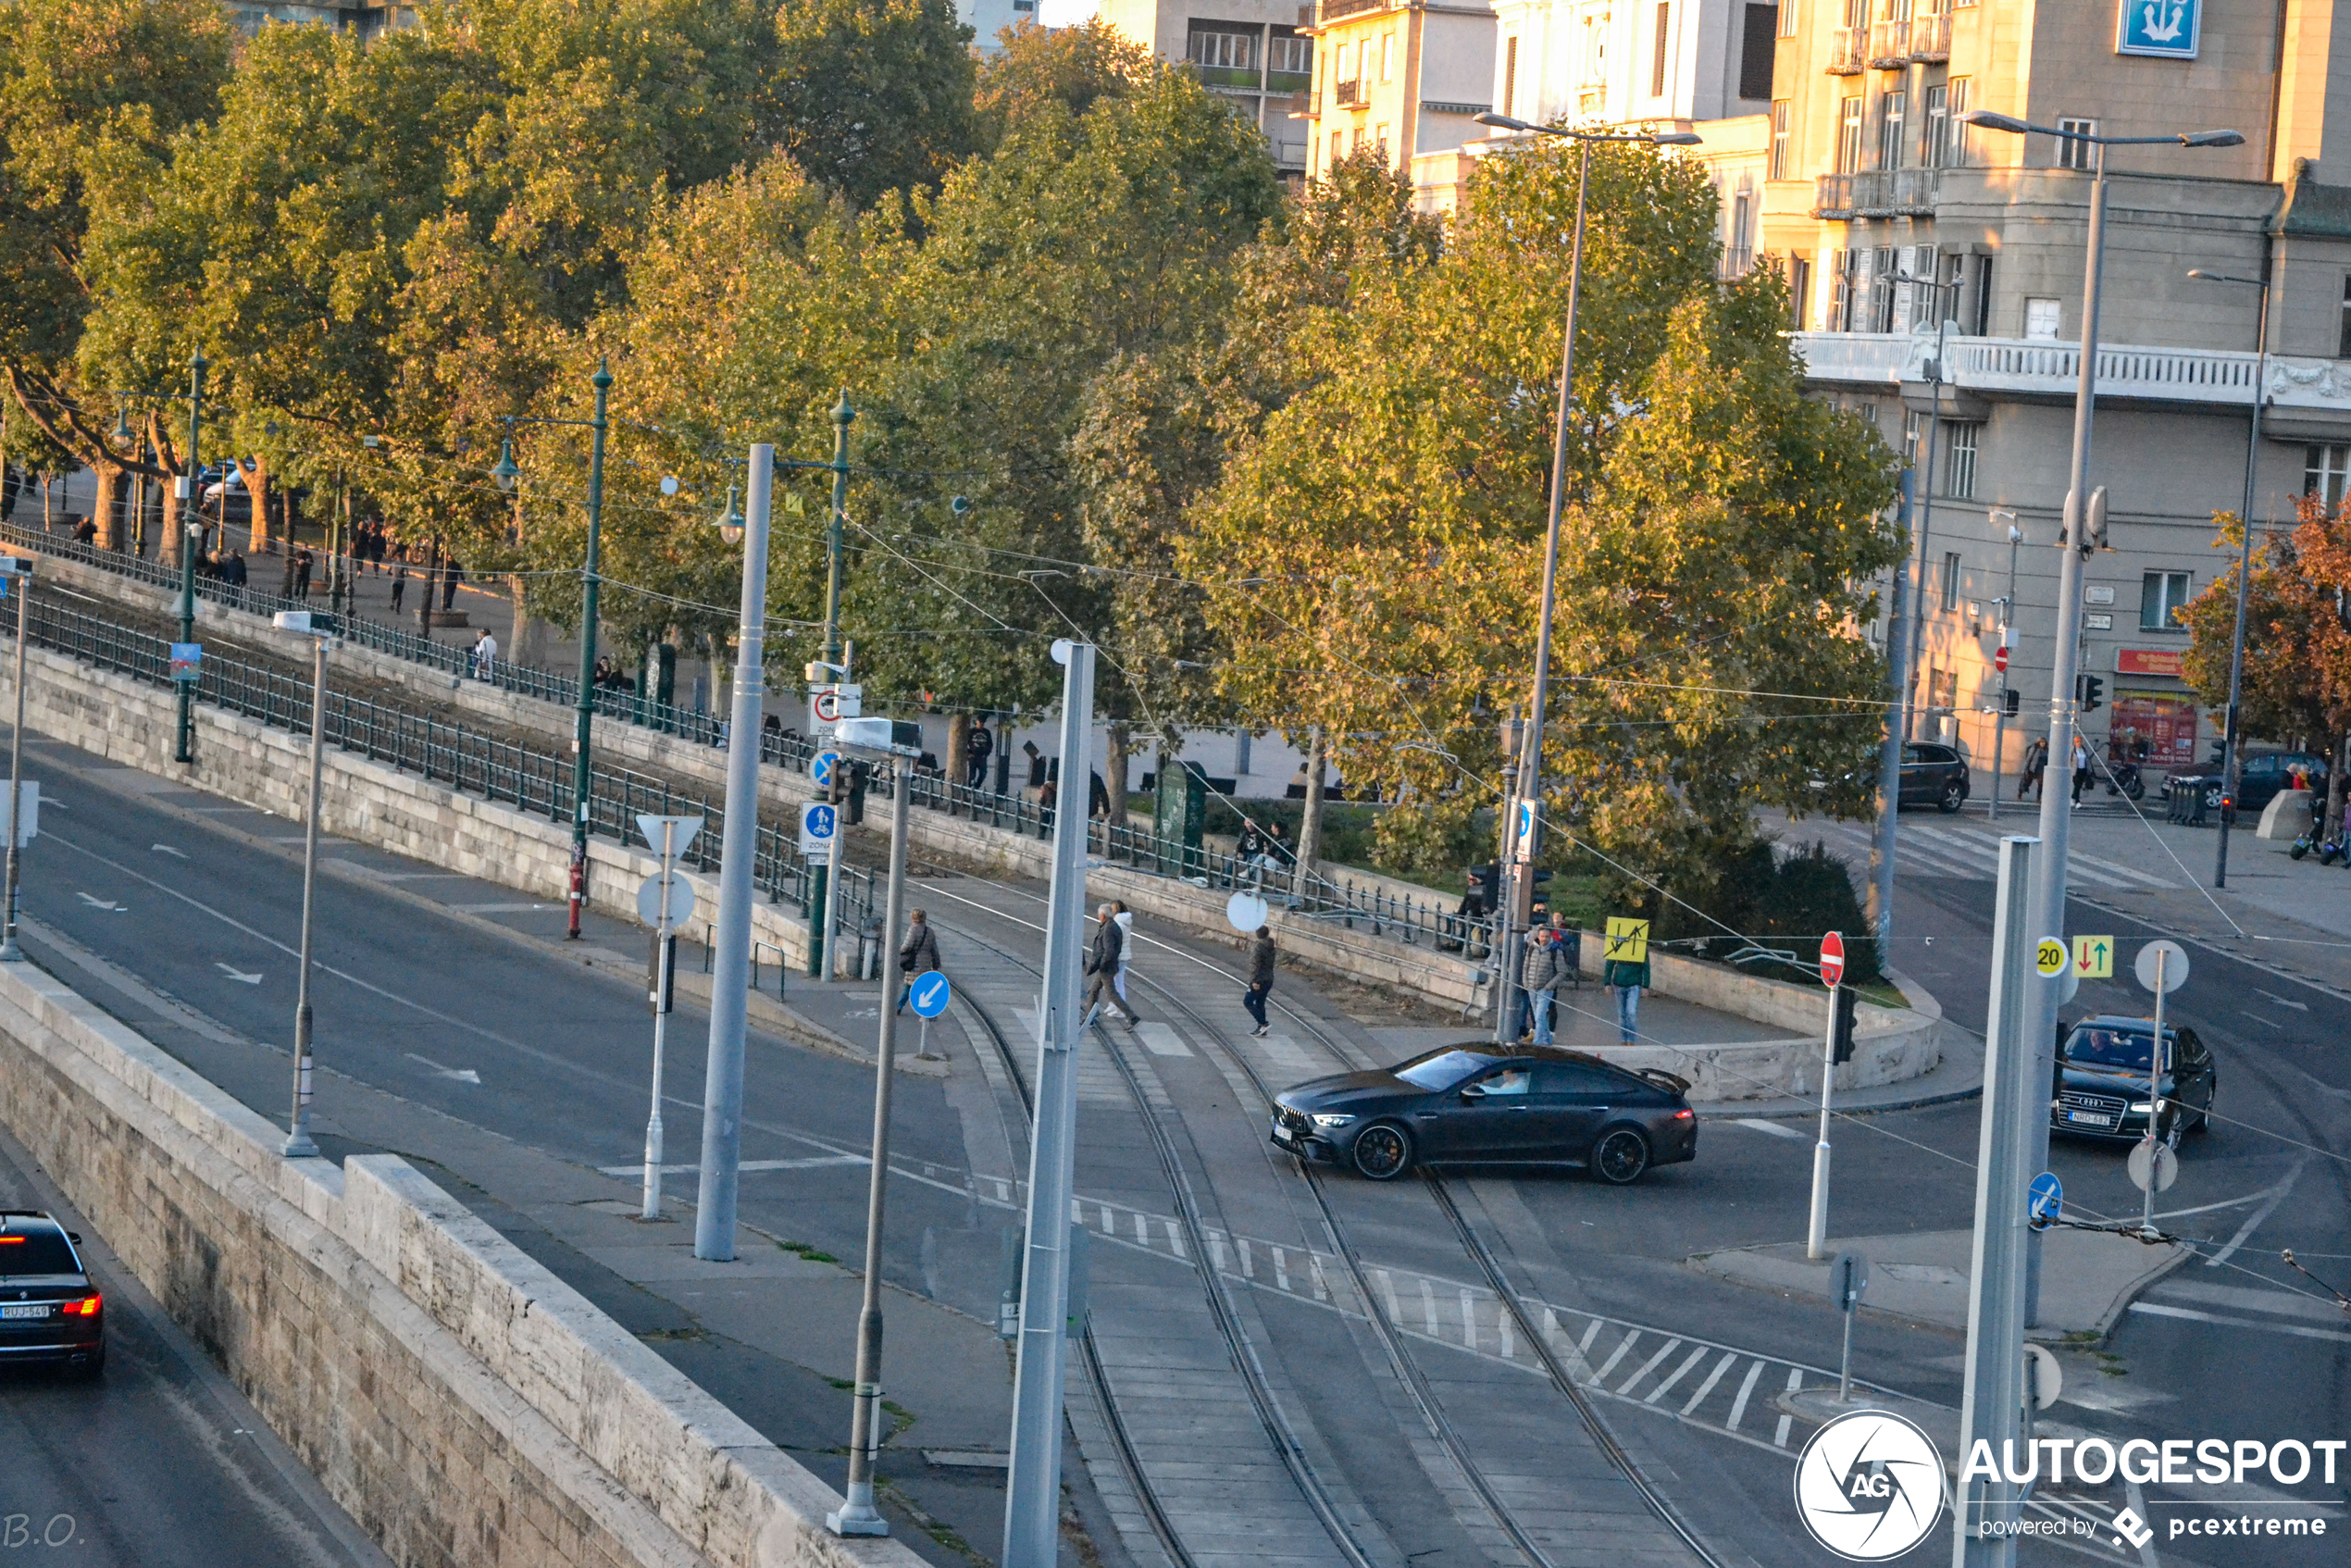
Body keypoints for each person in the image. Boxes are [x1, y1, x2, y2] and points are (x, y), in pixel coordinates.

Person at [1081, 902, 1140, 1027]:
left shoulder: (1108, 928)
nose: (1098, 917)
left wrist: (1101, 963)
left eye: (1099, 915)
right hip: (1108, 965)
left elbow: (1109, 950)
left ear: (1103, 915)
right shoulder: (1111, 925)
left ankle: (1132, 1016)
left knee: (1111, 993)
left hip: (1107, 967)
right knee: (1093, 990)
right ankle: (1090, 1017)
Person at [1521, 922, 1563, 1047]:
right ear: (1538, 936)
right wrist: (1526, 982)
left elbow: (1562, 972)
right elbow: (1526, 967)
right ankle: (1547, 1039)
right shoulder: (1532, 948)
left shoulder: (1555, 951)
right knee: (1539, 1017)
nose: (1544, 939)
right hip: (1531, 987)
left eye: (1546, 936)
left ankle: (1538, 1043)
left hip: (1545, 989)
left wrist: (1549, 986)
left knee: (1539, 1017)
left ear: (1550, 937)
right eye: (1542, 936)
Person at [894, 909, 940, 1014]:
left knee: (908, 986)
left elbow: (907, 946)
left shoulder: (913, 929)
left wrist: (899, 951)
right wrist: (936, 964)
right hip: (926, 962)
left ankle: (899, 1007)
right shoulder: (930, 931)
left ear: (913, 918)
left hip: (914, 962)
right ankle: (925, 1007)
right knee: (922, 984)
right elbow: (934, 950)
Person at [1604, 940, 1649, 1046]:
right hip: (1619, 983)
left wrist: (1645, 986)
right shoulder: (1618, 942)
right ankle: (1624, 1039)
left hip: (1634, 984)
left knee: (1631, 1012)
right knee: (1622, 1014)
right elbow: (1610, 962)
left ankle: (1631, 1040)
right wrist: (1607, 983)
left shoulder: (1641, 945)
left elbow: (1646, 966)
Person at [1243, 924, 1275, 1037]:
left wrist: (1253, 981)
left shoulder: (1258, 947)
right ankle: (1262, 1029)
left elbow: (1254, 965)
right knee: (1260, 1003)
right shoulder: (1271, 946)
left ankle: (1263, 1024)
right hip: (1269, 979)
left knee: (1248, 1002)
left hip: (1259, 980)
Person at [1111, 901, 1135, 1012]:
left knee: (1117, 982)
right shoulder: (1125, 922)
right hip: (1124, 955)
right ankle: (1114, 1004)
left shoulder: (1118, 924)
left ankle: (1120, 1008)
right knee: (1116, 981)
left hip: (1119, 956)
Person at [966, 718, 993, 790]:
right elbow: (965, 743)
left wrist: (986, 753)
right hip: (973, 756)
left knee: (983, 773)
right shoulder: (971, 731)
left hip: (982, 757)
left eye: (983, 722)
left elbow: (990, 744)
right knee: (972, 773)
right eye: (980, 722)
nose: (981, 723)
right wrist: (968, 753)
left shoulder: (987, 732)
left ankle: (977, 786)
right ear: (976, 722)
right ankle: (970, 788)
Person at [2019, 736, 2046, 802]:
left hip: (2041, 769)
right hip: (2033, 768)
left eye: (2043, 742)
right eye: (2041, 742)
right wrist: (2026, 768)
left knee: (2041, 784)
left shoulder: (2046, 750)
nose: (2042, 744)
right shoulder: (2034, 749)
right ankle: (2020, 794)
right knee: (2027, 782)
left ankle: (2038, 798)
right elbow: (2029, 758)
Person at [2069, 733, 2093, 808]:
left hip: (2083, 770)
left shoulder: (2084, 750)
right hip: (2076, 770)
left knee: (2079, 786)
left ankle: (2073, 798)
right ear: (2075, 742)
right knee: (2077, 786)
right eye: (2077, 741)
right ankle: (2077, 802)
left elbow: (2087, 760)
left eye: (2080, 741)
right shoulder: (2073, 750)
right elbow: (2069, 760)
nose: (2079, 743)